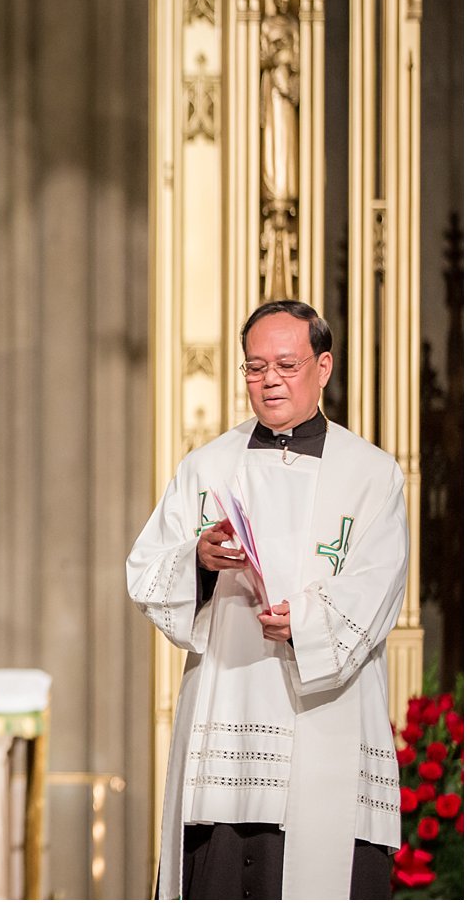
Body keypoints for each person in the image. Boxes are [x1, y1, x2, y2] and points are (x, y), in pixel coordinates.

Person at [127, 300, 407, 900]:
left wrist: (303, 621)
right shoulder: (207, 465)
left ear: (323, 366)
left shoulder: (372, 473)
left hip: (326, 706)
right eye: (254, 368)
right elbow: (146, 566)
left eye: (286, 364)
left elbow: (378, 583)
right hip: (228, 704)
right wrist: (198, 562)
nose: (269, 379)